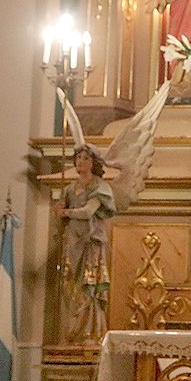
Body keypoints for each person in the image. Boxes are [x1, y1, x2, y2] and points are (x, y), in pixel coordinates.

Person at [52, 145, 116, 344]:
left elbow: (88, 211)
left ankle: (89, 331)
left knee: (88, 284)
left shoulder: (100, 187)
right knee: (70, 284)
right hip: (73, 242)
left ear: (94, 162)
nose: (80, 161)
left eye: (86, 157)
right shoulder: (69, 189)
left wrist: (66, 212)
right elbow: (60, 218)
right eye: (78, 157)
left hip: (90, 242)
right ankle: (72, 330)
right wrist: (58, 211)